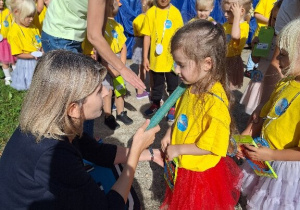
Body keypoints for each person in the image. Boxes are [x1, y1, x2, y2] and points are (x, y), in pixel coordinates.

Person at [0, 50, 162, 209]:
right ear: (73, 108)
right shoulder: (53, 155)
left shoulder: (55, 122)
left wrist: (150, 154)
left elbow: (97, 152)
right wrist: (134, 154)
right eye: (98, 90)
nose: (106, 92)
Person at [160, 20, 242, 209]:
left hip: (199, 174)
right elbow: (182, 114)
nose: (175, 70)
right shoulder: (189, 85)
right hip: (184, 165)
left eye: (181, 64)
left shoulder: (215, 102)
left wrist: (179, 149)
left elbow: (213, 147)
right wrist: (169, 132)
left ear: (207, 63)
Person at [239, 18, 300, 209]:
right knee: (257, 196)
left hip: (284, 166)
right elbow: (264, 116)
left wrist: (272, 154)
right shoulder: (285, 82)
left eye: (283, 54)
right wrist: (246, 135)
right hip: (265, 154)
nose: (278, 59)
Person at [41, 0, 145, 91]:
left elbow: (104, 12)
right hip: (59, 36)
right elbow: (93, 36)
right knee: (72, 92)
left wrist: (100, 46)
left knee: (79, 90)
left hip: (74, 36)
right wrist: (122, 69)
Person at [141, 0, 183, 121]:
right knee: (156, 85)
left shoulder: (175, 13)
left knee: (173, 85)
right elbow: (147, 36)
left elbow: (180, 36)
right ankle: (155, 103)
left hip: (171, 60)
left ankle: (172, 106)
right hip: (156, 60)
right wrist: (145, 57)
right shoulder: (151, 13)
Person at [240, 0, 282, 115]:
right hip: (259, 79)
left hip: (274, 82)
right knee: (254, 112)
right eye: (274, 19)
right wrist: (254, 49)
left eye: (280, 19)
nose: (276, 22)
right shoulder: (265, 35)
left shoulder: (287, 41)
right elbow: (255, 60)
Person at [102, 0, 133, 130]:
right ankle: (108, 116)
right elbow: (101, 50)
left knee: (120, 90)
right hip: (106, 61)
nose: (117, 6)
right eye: (113, 4)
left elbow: (123, 46)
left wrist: (122, 64)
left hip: (118, 60)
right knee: (107, 92)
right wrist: (108, 68)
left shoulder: (118, 26)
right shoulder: (101, 26)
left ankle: (121, 113)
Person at [6, 0, 42, 91]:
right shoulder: (14, 32)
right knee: (30, 82)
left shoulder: (33, 27)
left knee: (38, 79)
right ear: (17, 14)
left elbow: (38, 40)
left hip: (37, 58)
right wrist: (31, 55)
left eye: (32, 16)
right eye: (28, 16)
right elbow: (17, 53)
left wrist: (41, 49)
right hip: (27, 62)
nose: (31, 19)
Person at [222, 0, 251, 90]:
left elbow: (235, 36)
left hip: (232, 62)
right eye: (224, 11)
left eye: (229, 12)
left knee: (228, 89)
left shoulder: (243, 26)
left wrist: (237, 17)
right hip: (223, 60)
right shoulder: (227, 24)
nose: (225, 15)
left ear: (241, 12)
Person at [244, 0, 277, 76]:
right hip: (262, 33)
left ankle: (254, 67)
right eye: (274, 19)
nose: (276, 22)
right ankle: (249, 69)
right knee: (258, 51)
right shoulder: (265, 1)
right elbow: (257, 14)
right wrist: (269, 21)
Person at [132, 0, 153, 100]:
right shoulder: (152, 18)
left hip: (138, 44)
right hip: (149, 45)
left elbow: (135, 32)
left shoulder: (137, 19)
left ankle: (140, 92)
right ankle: (153, 91)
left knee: (141, 69)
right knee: (152, 71)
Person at [0, 0, 16, 85]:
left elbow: (13, 23)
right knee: (4, 60)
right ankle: (8, 77)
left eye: (2, 0)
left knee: (14, 59)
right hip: (1, 42)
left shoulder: (8, 11)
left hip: (10, 40)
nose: (2, 2)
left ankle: (17, 75)